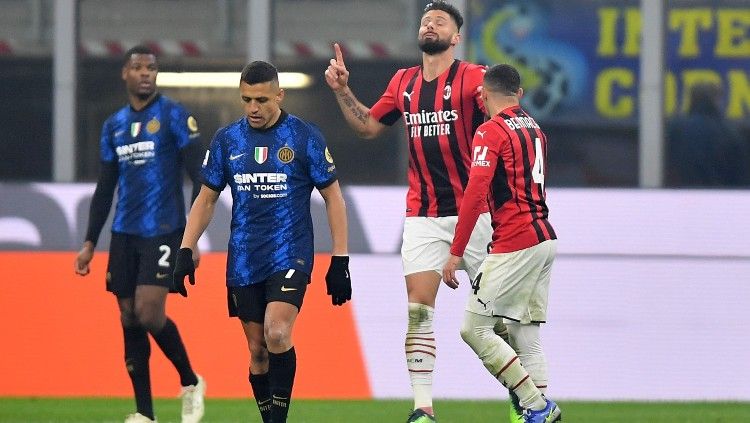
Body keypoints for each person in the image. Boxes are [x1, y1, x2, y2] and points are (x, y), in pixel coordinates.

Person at [324, 2, 493, 421]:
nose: (429, 24)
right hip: (422, 215)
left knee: (498, 315)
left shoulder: (474, 77)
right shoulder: (403, 82)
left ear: (456, 37)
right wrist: (342, 90)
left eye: (440, 21)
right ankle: (422, 408)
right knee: (419, 308)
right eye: (425, 20)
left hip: (475, 214)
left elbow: (505, 121)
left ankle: (522, 395)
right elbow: (368, 126)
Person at [173, 60, 352, 423]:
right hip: (244, 258)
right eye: (246, 100)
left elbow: (333, 196)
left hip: (291, 252)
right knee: (258, 352)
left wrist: (340, 259)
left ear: (279, 96)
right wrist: (185, 248)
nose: (253, 108)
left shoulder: (304, 137)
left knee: (277, 331)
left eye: (261, 100)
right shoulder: (228, 140)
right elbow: (205, 199)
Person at [74, 45, 206, 423]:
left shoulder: (174, 116)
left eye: (151, 67)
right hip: (123, 233)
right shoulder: (113, 125)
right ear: (125, 74)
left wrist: (191, 239)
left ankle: (190, 382)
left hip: (163, 229)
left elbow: (200, 175)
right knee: (129, 316)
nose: (146, 72)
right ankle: (145, 414)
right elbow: (104, 188)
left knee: (149, 311)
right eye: (138, 67)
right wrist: (88, 243)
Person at [441, 64, 561, 423]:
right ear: (519, 94)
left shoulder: (490, 132)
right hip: (544, 237)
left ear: (482, 95)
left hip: (516, 239)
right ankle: (536, 416)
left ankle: (536, 405)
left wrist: (456, 252)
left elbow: (475, 193)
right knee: (526, 333)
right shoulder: (536, 129)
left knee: (474, 328)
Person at [666, 81, 750, 187]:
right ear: (717, 101)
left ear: (691, 100)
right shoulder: (731, 133)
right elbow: (741, 176)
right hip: (720, 197)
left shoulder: (674, 130)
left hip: (680, 196)